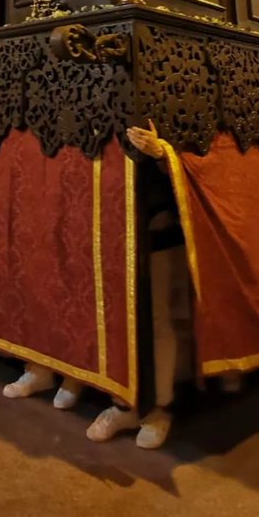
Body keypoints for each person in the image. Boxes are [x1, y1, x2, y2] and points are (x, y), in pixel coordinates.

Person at [85, 117, 187, 450]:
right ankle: (123, 404)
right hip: (109, 223)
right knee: (115, 319)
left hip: (156, 224)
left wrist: (163, 154)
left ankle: (159, 409)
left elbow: (199, 157)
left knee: (158, 317)